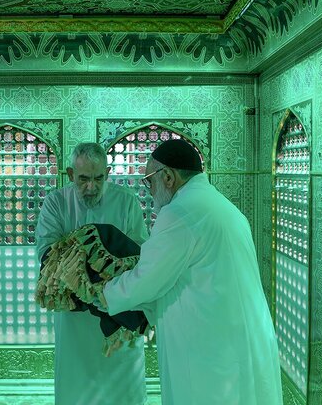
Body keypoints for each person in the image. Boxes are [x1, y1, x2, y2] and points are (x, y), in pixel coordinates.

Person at [103, 139, 283, 405]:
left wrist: (104, 292)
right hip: (240, 339)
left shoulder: (179, 213)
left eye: (149, 181)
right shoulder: (222, 206)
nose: (149, 191)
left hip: (209, 350)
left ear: (167, 177)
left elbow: (147, 280)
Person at [35, 142, 148, 405]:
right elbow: (46, 252)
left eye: (98, 178)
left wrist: (108, 287)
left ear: (107, 173)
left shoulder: (126, 201)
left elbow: (140, 253)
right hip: (73, 314)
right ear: (71, 174)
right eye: (84, 179)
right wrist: (86, 278)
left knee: (123, 385)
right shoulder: (56, 203)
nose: (91, 187)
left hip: (118, 308)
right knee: (76, 384)